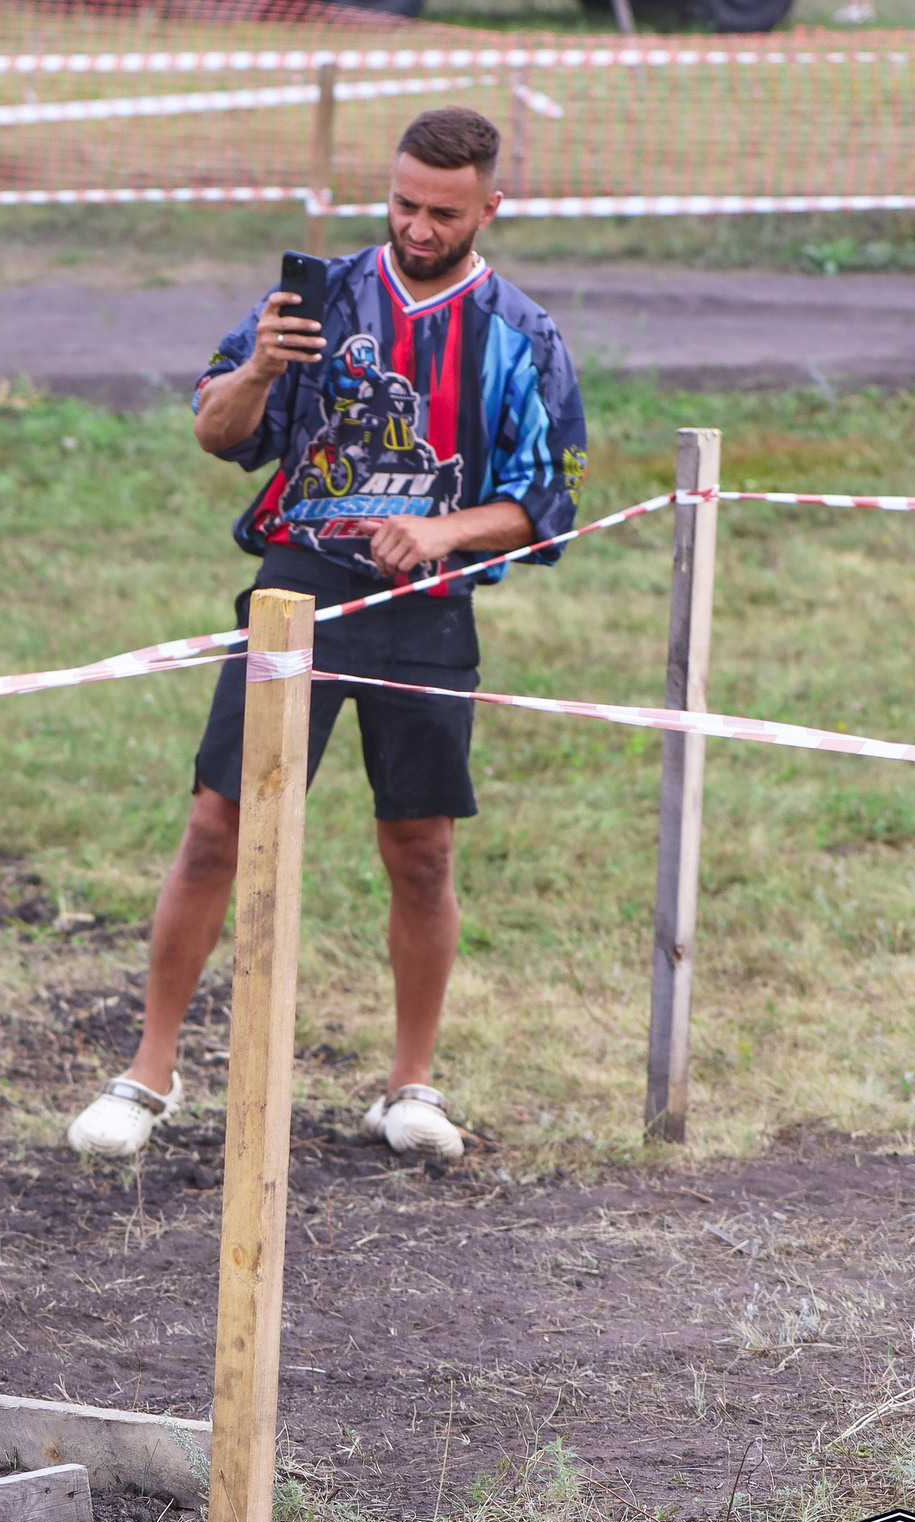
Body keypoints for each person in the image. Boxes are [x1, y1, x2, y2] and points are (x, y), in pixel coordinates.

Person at [67, 106, 587, 1165]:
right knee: (218, 825)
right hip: (296, 587)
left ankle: (409, 1086)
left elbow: (545, 501)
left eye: (443, 212)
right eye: (403, 203)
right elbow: (219, 433)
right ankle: (146, 1074)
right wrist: (258, 364)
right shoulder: (316, 301)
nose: (418, 226)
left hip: (429, 603)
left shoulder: (522, 336)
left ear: (491, 206)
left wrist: (442, 529)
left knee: (422, 850)